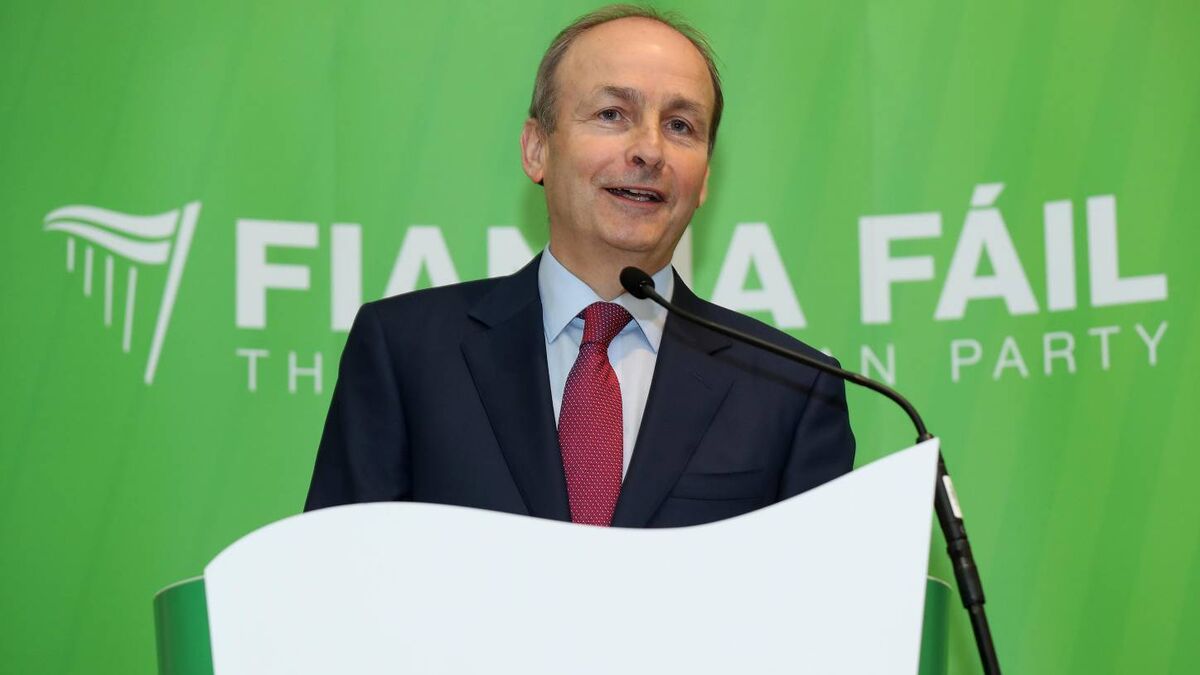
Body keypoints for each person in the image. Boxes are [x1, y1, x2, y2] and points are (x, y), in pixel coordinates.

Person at [304, 5, 855, 527]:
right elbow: (335, 577)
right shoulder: (406, 352)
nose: (650, 151)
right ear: (536, 148)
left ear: (706, 177)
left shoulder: (790, 387)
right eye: (613, 114)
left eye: (681, 126)